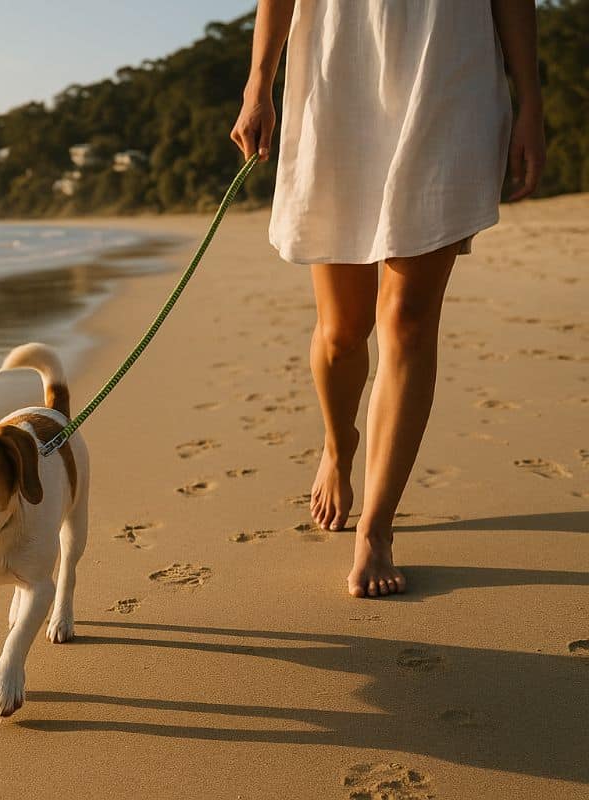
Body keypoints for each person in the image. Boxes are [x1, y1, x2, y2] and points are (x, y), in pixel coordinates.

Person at [231, 0, 545, 597]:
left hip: (447, 68)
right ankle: (338, 442)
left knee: (406, 319)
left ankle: (375, 527)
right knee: (342, 330)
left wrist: (530, 99)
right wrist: (258, 86)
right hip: (337, 67)